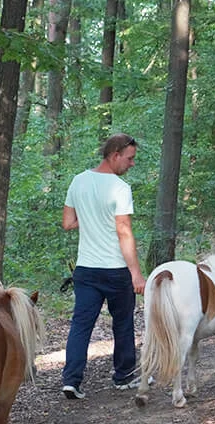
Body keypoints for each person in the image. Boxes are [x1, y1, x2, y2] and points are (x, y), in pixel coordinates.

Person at [61, 133, 146, 399]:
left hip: (85, 268)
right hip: (116, 268)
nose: (131, 164)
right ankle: (123, 376)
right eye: (129, 159)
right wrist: (136, 274)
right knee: (122, 323)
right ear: (115, 155)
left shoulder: (78, 181)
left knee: (81, 325)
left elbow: (67, 223)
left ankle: (71, 380)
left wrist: (91, 219)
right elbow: (124, 231)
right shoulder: (120, 189)